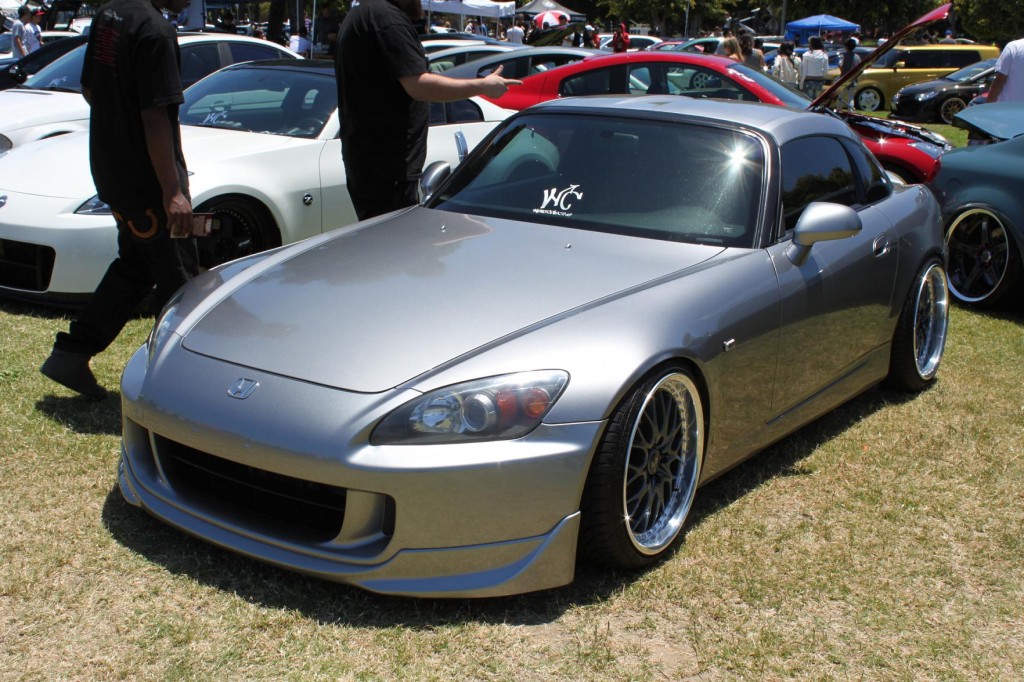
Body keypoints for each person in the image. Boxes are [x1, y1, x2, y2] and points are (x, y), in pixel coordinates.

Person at [40, 0, 198, 400]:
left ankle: (72, 353)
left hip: (114, 170)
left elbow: (91, 90)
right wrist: (172, 191)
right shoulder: (155, 31)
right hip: (148, 182)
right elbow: (154, 115)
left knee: (135, 267)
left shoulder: (111, 15)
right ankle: (179, 385)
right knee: (180, 283)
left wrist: (118, 132)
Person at [335, 0, 521, 221]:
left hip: (372, 162)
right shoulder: (387, 19)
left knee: (383, 238)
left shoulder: (363, 13)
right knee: (394, 239)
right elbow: (419, 85)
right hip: (387, 167)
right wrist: (482, 86)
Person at [988, 36, 1024, 102]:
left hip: (1010, 106)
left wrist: (988, 105)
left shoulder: (1014, 46)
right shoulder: (1014, 47)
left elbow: (1000, 80)